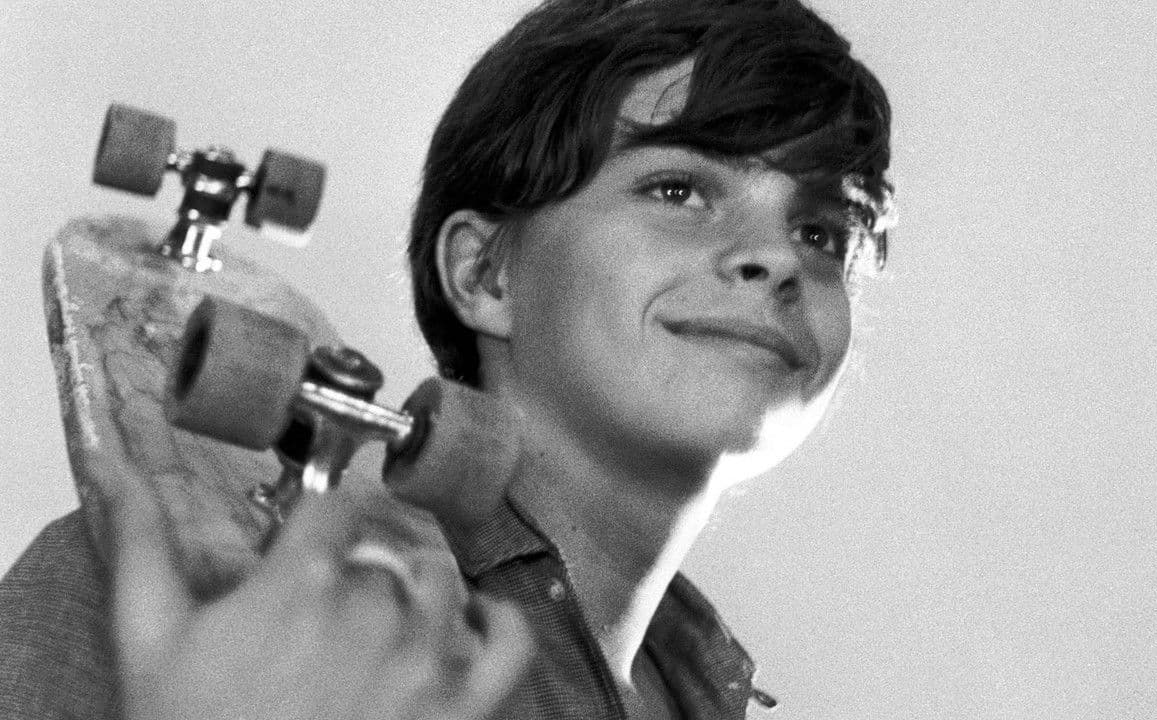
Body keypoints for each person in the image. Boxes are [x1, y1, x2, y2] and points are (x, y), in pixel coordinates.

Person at [0, 0, 895, 718]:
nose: (777, 257)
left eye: (821, 230)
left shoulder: (704, 687)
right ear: (483, 275)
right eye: (679, 189)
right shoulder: (191, 587)